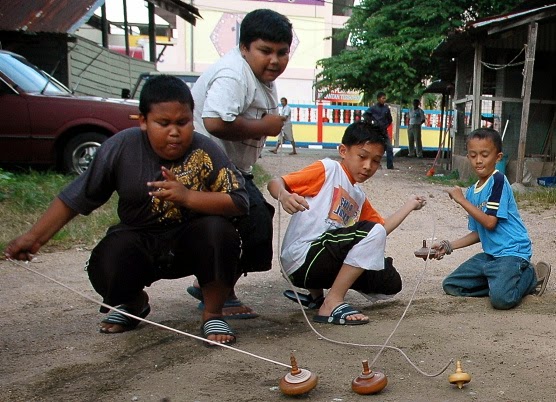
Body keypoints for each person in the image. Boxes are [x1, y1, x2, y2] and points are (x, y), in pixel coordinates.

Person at [4, 75, 249, 345]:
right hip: (139, 238)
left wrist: (188, 197)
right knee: (108, 259)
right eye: (163, 123)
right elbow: (76, 197)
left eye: (183, 122)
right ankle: (133, 303)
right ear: (143, 121)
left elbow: (238, 201)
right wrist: (35, 238)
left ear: (193, 119)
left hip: (192, 242)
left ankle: (212, 311)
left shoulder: (206, 149)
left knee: (220, 231)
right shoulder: (121, 147)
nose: (174, 132)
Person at [268, 121, 426, 325]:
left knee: (390, 282)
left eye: (376, 161)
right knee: (362, 234)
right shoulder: (329, 169)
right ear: (343, 150)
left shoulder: (358, 196)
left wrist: (409, 205)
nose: (368, 166)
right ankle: (331, 303)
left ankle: (317, 299)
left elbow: (380, 230)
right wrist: (284, 195)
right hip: (302, 259)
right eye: (362, 156)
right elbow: (275, 182)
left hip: (322, 262)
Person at [188, 9, 293, 319]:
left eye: (282, 52)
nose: (274, 60)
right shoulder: (234, 74)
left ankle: (211, 285)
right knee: (250, 224)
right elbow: (214, 122)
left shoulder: (260, 77)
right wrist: (266, 127)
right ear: (244, 47)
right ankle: (217, 294)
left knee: (257, 226)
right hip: (209, 170)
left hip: (234, 169)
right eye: (265, 51)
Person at [430, 128, 551, 309]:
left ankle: (531, 276)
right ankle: (500, 282)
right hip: (491, 257)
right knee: (452, 285)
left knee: (501, 300)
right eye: (473, 155)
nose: (478, 160)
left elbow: (490, 222)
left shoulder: (498, 181)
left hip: (512, 253)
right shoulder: (472, 191)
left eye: (485, 155)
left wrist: (461, 200)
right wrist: (448, 246)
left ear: (498, 157)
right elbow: (479, 232)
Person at [363, 91, 395, 169]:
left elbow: (390, 119)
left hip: (384, 131)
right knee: (375, 148)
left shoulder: (386, 109)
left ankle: (390, 166)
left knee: (389, 148)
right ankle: (376, 165)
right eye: (382, 98)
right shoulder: (373, 108)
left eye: (385, 98)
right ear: (378, 99)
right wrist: (372, 122)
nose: (384, 100)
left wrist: (386, 125)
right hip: (376, 131)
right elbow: (365, 115)